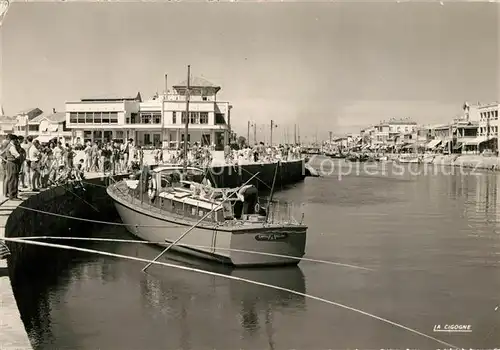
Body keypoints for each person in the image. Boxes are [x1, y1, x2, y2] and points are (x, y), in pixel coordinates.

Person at [0, 134, 22, 200]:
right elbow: (17, 155)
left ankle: (12, 194)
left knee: (12, 178)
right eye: (16, 140)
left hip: (10, 163)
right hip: (13, 163)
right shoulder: (12, 147)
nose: (17, 141)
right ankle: (12, 195)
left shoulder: (9, 146)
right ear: (13, 140)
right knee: (13, 179)